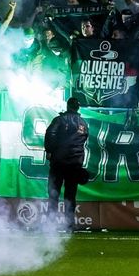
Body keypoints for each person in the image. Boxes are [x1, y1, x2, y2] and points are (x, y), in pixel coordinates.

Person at [43, 96, 90, 228]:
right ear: (78, 108)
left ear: (68, 106)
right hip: (74, 164)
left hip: (58, 162)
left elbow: (50, 133)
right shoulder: (83, 123)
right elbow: (83, 141)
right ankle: (69, 224)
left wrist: (50, 150)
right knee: (70, 195)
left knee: (54, 193)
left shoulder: (59, 120)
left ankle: (51, 224)